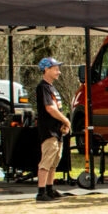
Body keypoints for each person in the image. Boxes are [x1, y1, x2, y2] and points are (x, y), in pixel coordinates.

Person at [33, 57, 69, 202]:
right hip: (49, 130)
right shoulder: (43, 87)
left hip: (57, 130)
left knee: (55, 161)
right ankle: (41, 192)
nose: (58, 72)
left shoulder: (52, 87)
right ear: (46, 69)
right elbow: (50, 108)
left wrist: (63, 124)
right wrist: (65, 120)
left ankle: (50, 188)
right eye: (55, 69)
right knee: (46, 161)